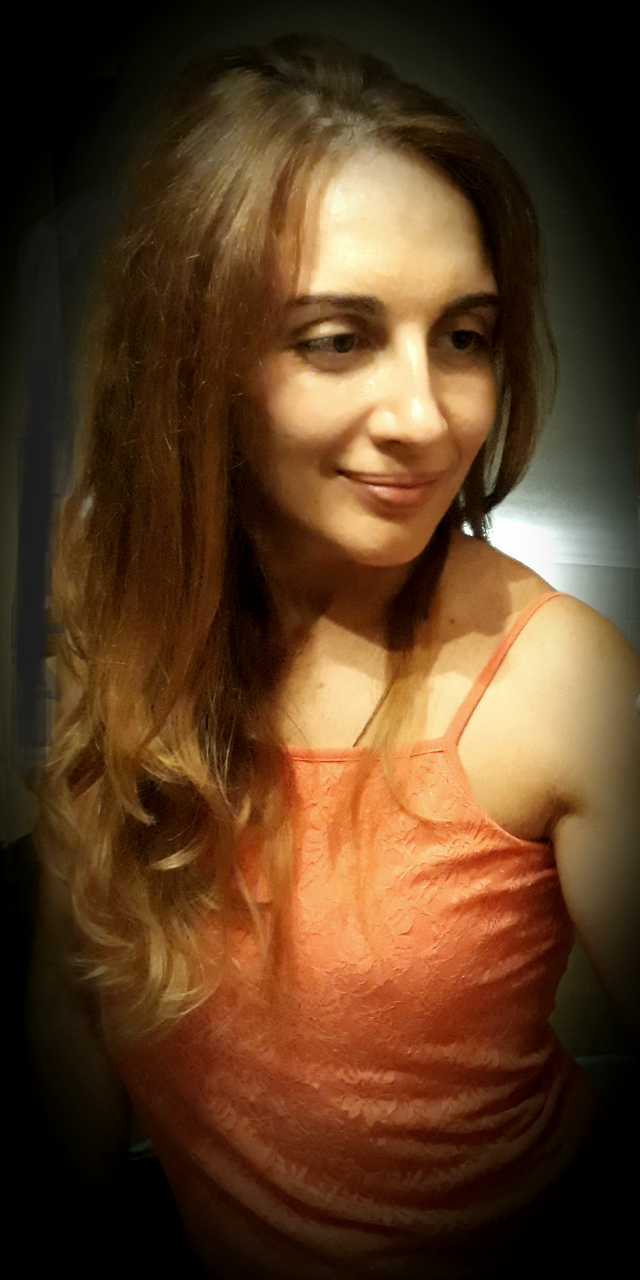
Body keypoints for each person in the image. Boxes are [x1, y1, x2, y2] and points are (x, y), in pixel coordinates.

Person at [26, 32, 639, 1280]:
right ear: (195, 363)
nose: (427, 416)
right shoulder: (116, 609)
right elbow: (70, 991)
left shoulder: (556, 679)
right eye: (337, 338)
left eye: (462, 335)